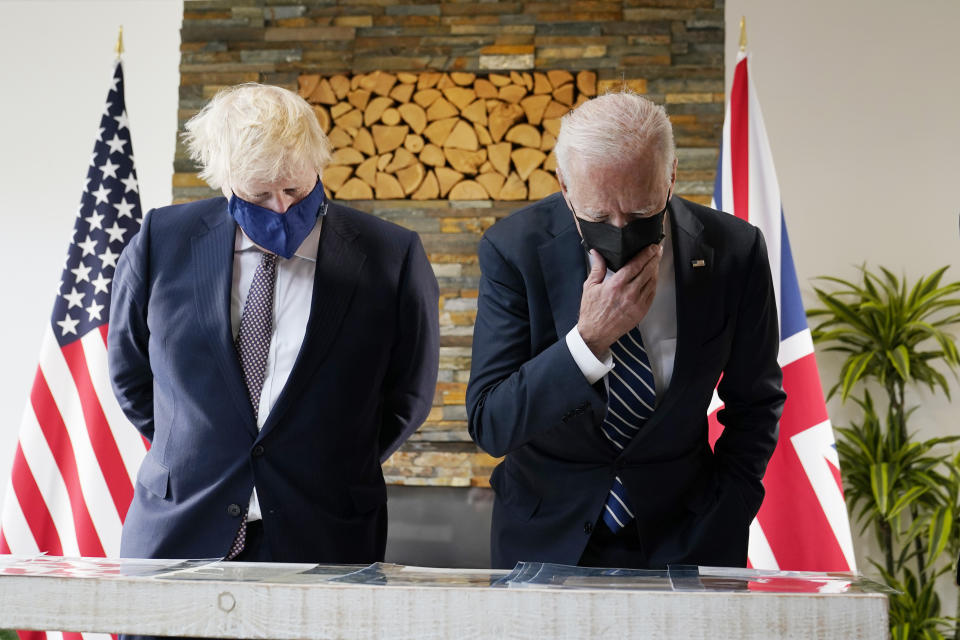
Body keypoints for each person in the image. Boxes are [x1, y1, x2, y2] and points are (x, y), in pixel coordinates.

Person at [108, 83, 439, 565]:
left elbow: (407, 397)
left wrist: (325, 459)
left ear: (317, 166)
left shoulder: (391, 256)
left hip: (327, 530)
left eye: (295, 189)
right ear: (224, 182)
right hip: (178, 527)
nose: (282, 208)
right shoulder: (161, 241)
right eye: (260, 194)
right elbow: (131, 373)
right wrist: (204, 444)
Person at [466, 91, 786, 570]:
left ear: (671, 175)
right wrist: (587, 342)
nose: (619, 229)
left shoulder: (734, 252)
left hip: (691, 535)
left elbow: (756, 404)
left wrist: (732, 507)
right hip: (544, 539)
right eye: (597, 217)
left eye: (640, 213)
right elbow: (491, 424)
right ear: (565, 187)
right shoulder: (513, 250)